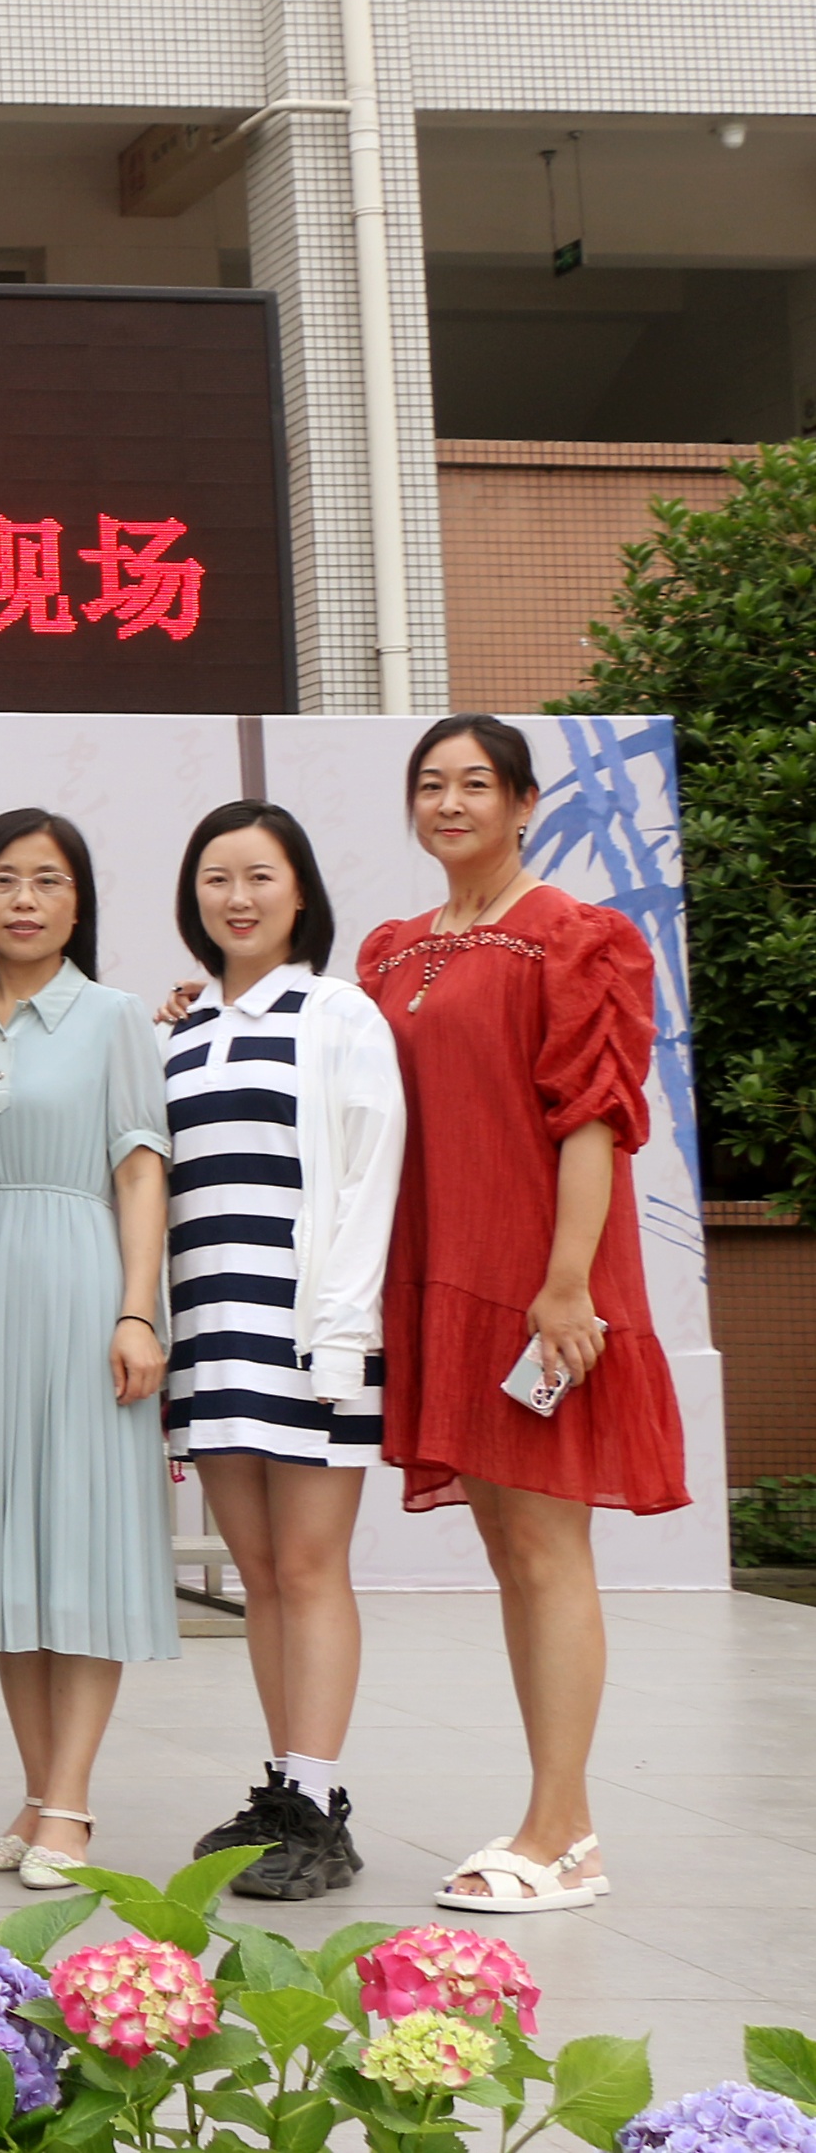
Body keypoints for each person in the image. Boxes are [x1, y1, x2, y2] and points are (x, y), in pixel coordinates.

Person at [355, 715, 687, 1915]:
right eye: (429, 784)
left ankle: (559, 1829)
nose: (449, 802)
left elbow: (592, 1117)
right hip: (439, 1271)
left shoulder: (574, 936)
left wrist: (564, 1283)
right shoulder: (389, 951)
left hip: (540, 1278)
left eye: (474, 783)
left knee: (547, 1549)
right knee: (508, 1548)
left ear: (523, 801)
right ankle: (560, 1820)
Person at [150, 800, 403, 1904]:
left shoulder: (338, 1013)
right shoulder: (173, 1030)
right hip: (211, 1334)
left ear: (298, 890)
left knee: (308, 1569)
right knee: (256, 1577)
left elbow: (365, 1181)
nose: (236, 896)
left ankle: (317, 1799)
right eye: (215, 877)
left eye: (258, 875)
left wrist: (341, 1337)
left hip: (308, 1338)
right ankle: (279, 1785)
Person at [0, 809, 175, 1892]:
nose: (21, 899)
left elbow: (138, 1169)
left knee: (77, 1541)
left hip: (77, 1282)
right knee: (2, 1549)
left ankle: (70, 1798)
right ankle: (35, 1793)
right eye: (0, 880)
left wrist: (135, 1309)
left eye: (46, 880)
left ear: (77, 902)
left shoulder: (116, 1016)